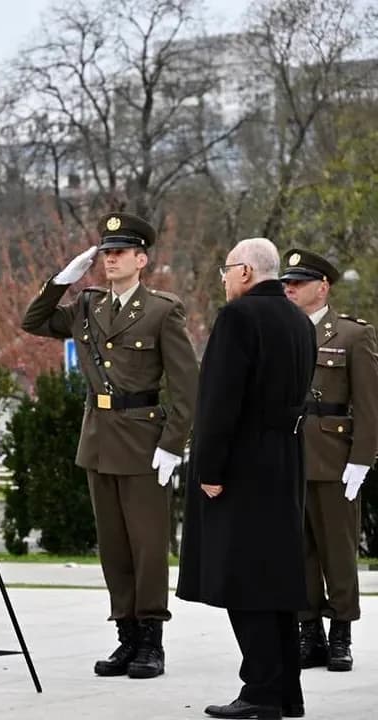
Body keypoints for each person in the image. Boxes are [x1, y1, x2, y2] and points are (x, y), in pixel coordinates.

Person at [22, 212, 198, 679]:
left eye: (120, 252)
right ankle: (125, 637)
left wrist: (173, 445)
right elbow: (33, 320)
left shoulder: (163, 309)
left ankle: (151, 641)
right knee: (114, 548)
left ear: (142, 259)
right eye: (106, 252)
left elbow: (186, 386)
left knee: (147, 545)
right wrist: (63, 280)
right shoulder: (88, 306)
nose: (110, 259)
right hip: (99, 438)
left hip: (143, 440)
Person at [177, 237, 316, 720]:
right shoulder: (300, 320)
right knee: (276, 579)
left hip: (243, 463)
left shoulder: (239, 318)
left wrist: (210, 468)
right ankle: (285, 693)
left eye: (225, 269)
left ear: (244, 272)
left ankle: (260, 691)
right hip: (286, 459)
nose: (222, 278)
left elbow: (219, 400)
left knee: (245, 581)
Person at [281, 248, 378, 673]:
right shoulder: (281, 332)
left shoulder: (353, 335)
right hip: (289, 456)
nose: (289, 289)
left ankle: (341, 635)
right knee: (297, 551)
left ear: (323, 287)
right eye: (286, 282)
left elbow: (370, 405)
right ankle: (310, 633)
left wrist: (362, 460)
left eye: (297, 283)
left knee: (337, 552)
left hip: (336, 459)